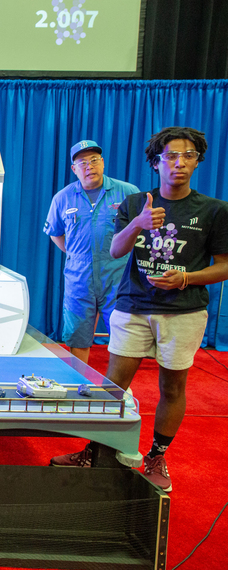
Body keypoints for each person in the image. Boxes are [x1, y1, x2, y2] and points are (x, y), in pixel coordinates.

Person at [50, 127, 228, 492]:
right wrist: (138, 223)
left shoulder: (214, 210)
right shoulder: (136, 203)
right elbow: (116, 250)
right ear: (157, 162)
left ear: (197, 161)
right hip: (133, 307)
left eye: (188, 156)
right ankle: (96, 450)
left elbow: (224, 264)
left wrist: (187, 278)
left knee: (173, 386)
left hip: (184, 310)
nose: (179, 163)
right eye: (171, 156)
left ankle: (156, 456)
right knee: (113, 386)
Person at [44, 140, 139, 364]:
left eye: (94, 160)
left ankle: (121, 389)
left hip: (118, 276)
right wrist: (74, 253)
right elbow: (54, 231)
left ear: (103, 163)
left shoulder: (128, 192)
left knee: (123, 335)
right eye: (83, 162)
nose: (90, 166)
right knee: (78, 336)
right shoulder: (63, 198)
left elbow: (141, 229)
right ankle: (80, 385)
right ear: (73, 169)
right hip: (79, 277)